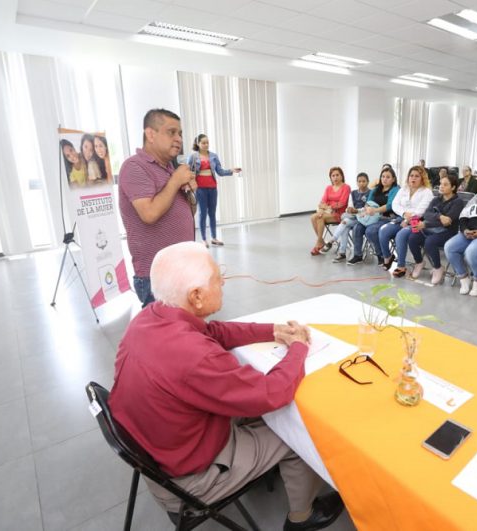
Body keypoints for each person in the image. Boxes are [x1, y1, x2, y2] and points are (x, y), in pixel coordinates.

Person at [109, 242, 344, 530]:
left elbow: (213, 331)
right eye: (217, 277)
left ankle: (264, 467)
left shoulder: (149, 317)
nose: (223, 281)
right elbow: (272, 392)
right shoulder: (196, 356)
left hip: (160, 451)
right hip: (190, 480)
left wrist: (273, 330)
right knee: (300, 434)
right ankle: (302, 517)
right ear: (196, 296)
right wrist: (298, 348)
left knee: (264, 412)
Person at [119, 108, 198, 307]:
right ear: (150, 134)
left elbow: (189, 212)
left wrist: (189, 191)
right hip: (157, 276)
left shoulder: (170, 169)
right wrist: (175, 181)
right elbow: (150, 213)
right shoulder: (134, 167)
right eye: (171, 132)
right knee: (165, 327)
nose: (179, 139)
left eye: (180, 133)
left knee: (185, 325)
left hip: (182, 268)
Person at [403, 174, 464, 284]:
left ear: (453, 187)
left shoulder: (458, 202)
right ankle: (419, 262)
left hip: (448, 232)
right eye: (441, 184)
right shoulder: (436, 199)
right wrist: (439, 216)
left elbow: (447, 222)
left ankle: (437, 267)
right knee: (412, 238)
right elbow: (427, 214)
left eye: (445, 184)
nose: (441, 186)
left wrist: (427, 224)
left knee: (430, 242)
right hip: (432, 229)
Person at [186, 134, 242, 247]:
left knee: (212, 213)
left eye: (207, 142)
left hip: (212, 188)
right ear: (198, 143)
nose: (206, 145)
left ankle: (214, 238)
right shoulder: (193, 157)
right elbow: (188, 172)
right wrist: (188, 185)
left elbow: (220, 172)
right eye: (203, 143)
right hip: (200, 189)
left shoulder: (214, 156)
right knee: (202, 213)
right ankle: (203, 239)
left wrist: (231, 170)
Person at [379, 166, 434, 276]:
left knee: (401, 235)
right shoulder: (404, 189)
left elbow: (421, 211)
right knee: (383, 230)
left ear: (422, 178)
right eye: (411, 175)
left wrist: (408, 219)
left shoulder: (427, 192)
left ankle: (401, 266)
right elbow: (395, 204)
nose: (413, 178)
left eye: (417, 176)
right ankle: (388, 257)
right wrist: (404, 214)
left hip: (418, 222)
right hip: (401, 218)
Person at [347, 167, 399, 265]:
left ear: (393, 179)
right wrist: (364, 211)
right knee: (357, 227)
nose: (384, 179)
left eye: (388, 177)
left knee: (370, 231)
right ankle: (358, 255)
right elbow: (368, 203)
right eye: (383, 176)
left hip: (387, 218)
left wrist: (375, 210)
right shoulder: (376, 189)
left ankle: (382, 255)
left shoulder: (395, 189)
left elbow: (389, 205)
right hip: (372, 217)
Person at [310, 167, 351, 255]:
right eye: (333, 176)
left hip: (340, 214)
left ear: (341, 176)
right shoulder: (328, 188)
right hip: (328, 212)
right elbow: (322, 202)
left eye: (337, 175)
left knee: (320, 218)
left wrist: (327, 206)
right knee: (313, 217)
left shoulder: (346, 187)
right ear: (330, 178)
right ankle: (321, 241)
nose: (335, 177)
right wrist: (322, 209)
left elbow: (342, 203)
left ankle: (319, 243)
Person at [331, 172, 370, 263]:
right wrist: (349, 209)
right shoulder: (353, 193)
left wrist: (357, 211)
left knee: (345, 222)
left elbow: (367, 209)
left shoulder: (371, 193)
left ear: (368, 182)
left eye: (364, 181)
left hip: (364, 218)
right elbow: (349, 206)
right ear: (357, 182)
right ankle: (342, 252)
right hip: (353, 217)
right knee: (345, 223)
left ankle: (333, 242)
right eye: (359, 181)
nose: (361, 183)